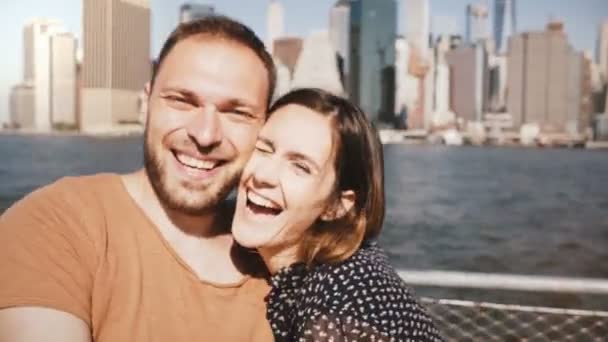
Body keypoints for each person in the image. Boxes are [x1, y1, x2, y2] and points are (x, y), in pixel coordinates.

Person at [0, 16, 276, 341]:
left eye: (237, 113)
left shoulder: (285, 257)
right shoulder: (58, 223)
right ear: (145, 104)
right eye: (182, 101)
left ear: (266, 129)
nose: (205, 135)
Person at [232, 88, 443, 341]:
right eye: (263, 149)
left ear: (337, 206)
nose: (263, 175)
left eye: (300, 166)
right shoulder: (348, 263)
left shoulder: (335, 314)